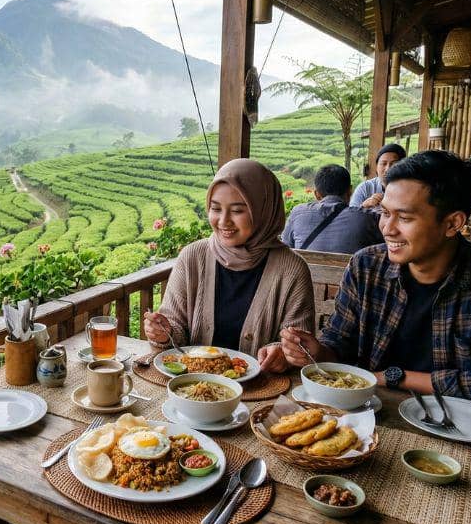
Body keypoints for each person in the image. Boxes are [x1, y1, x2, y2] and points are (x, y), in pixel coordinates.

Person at [280, 150, 471, 413]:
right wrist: (316, 352)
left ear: (453, 223)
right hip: (370, 416)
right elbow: (339, 342)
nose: (387, 228)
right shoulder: (367, 266)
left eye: (404, 218)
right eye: (384, 213)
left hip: (461, 423)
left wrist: (394, 377)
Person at [143, 158, 315, 373]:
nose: (223, 221)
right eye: (215, 208)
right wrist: (164, 331)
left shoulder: (292, 270)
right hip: (192, 385)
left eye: (237, 211)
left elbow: (298, 344)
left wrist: (283, 353)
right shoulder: (193, 257)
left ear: (263, 211)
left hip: (262, 387)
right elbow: (175, 327)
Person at [282, 164, 383, 253]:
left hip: (306, 269)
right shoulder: (369, 218)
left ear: (317, 194)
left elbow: (285, 248)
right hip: (347, 270)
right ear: (350, 192)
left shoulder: (297, 213)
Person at [350, 143, 406, 210]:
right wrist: (363, 206)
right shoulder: (365, 188)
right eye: (383, 163)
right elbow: (350, 214)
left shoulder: (408, 190)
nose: (388, 168)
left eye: (394, 164)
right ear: (376, 167)